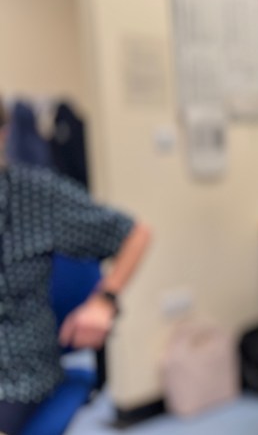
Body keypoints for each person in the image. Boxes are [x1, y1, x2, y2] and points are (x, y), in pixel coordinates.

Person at [0, 94, 152, 434]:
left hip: (16, 370)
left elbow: (135, 234)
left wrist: (105, 300)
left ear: (4, 136)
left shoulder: (33, 195)